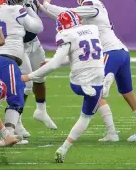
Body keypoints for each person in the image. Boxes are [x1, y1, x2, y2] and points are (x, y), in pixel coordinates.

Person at [39, 0, 136, 142]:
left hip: (110, 53)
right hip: (121, 53)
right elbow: (65, 17)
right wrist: (42, 8)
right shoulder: (90, 10)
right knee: (128, 94)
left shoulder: (92, 4)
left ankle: (111, 133)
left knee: (96, 91)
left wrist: (46, 5)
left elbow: (68, 13)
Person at [22, 11, 104, 163]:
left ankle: (63, 148)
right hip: (98, 80)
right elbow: (81, 54)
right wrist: (57, 62)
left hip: (78, 83)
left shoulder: (66, 34)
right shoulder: (92, 29)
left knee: (81, 92)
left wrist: (30, 76)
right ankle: (64, 147)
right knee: (85, 117)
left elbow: (54, 64)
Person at [0, 0, 58, 133]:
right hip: (18, 46)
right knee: (25, 84)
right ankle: (17, 122)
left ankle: (41, 110)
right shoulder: (5, 7)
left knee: (41, 74)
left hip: (34, 42)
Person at [0, 0, 42, 140]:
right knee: (15, 98)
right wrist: (28, 8)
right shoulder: (15, 9)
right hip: (6, 58)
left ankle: (16, 126)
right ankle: (8, 133)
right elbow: (37, 27)